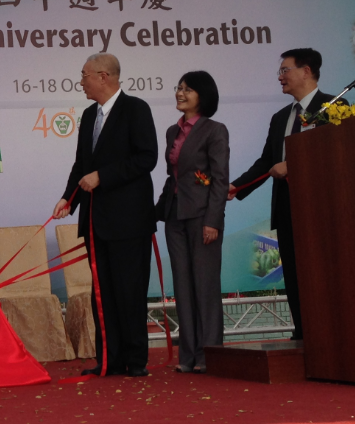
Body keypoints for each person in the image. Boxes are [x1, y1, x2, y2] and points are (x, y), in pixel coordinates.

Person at [53, 52, 158, 378]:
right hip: (97, 221)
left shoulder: (135, 109)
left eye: (84, 75)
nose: (80, 81)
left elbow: (147, 158)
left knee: (130, 291)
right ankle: (110, 360)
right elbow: (81, 165)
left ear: (104, 76)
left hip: (129, 221)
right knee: (104, 294)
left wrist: (103, 176)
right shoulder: (88, 115)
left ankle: (136, 360)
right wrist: (68, 197)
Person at [228, 48, 339, 341]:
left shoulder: (334, 107)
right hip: (288, 209)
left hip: (321, 209)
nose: (280, 77)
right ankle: (302, 333)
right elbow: (267, 162)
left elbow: (336, 155)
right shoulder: (281, 117)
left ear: (306, 71)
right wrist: (236, 187)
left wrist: (294, 164)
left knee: (325, 274)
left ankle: (330, 334)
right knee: (294, 273)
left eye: (285, 70)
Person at [155, 71, 229, 374]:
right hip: (175, 217)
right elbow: (173, 177)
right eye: (179, 87)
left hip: (202, 218)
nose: (180, 93)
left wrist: (213, 220)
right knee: (183, 287)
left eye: (187, 89)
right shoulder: (173, 131)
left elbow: (220, 180)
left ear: (203, 95)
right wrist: (153, 213)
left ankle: (209, 354)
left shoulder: (215, 130)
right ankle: (188, 356)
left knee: (205, 286)